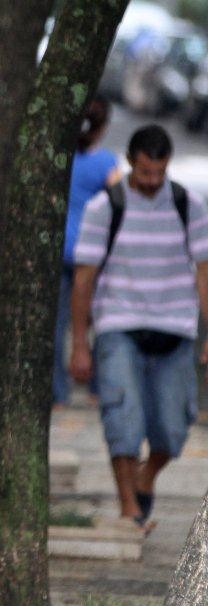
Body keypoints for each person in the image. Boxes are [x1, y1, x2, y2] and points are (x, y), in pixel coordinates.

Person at [70, 125, 208, 530]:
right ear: (131, 161)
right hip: (119, 323)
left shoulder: (188, 204)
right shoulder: (105, 207)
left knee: (173, 426)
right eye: (144, 173)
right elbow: (83, 278)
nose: (151, 181)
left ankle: (146, 477)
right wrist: (80, 342)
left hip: (175, 325)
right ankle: (129, 508)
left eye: (158, 173)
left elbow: (204, 272)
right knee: (122, 416)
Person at [53, 95, 121, 406]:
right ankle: (97, 389)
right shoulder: (106, 163)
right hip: (93, 254)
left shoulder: (58, 157)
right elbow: (122, 204)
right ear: (102, 127)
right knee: (101, 319)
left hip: (58, 248)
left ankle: (57, 391)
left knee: (57, 324)